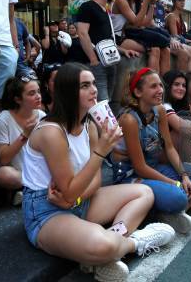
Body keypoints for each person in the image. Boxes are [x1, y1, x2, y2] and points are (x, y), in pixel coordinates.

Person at [22, 63, 175, 280]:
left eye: (93, 83)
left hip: (79, 200)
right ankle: (134, 243)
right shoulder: (51, 132)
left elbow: (94, 181)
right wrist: (101, 152)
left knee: (144, 192)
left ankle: (107, 249)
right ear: (67, 92)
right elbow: (68, 191)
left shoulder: (90, 126)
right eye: (85, 85)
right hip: (47, 211)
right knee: (102, 245)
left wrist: (74, 200)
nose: (94, 90)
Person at [113, 68, 191, 234]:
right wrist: (175, 183)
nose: (160, 90)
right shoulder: (129, 119)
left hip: (155, 168)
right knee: (178, 196)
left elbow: (169, 148)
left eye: (160, 86)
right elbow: (139, 167)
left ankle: (182, 205)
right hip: (132, 176)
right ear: (138, 92)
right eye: (153, 87)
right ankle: (179, 204)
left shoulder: (159, 110)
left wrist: (184, 176)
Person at [76, 0, 139, 102]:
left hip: (110, 61)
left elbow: (107, 40)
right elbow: (82, 33)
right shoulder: (87, 7)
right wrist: (93, 59)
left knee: (108, 101)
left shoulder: (105, 11)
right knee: (101, 103)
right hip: (96, 63)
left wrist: (123, 50)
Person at [0, 76, 45, 206]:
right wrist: (25, 134)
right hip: (17, 174)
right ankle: (40, 191)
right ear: (17, 99)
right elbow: (3, 159)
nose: (38, 96)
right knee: (3, 175)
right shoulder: (3, 119)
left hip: (39, 172)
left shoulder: (43, 117)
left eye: (38, 91)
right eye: (32, 93)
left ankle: (28, 193)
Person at [111, 0, 171, 75]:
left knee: (166, 50)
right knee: (155, 49)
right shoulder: (121, 0)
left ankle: (165, 84)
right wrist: (147, 1)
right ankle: (152, 84)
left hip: (132, 35)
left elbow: (146, 23)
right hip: (120, 39)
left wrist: (152, 4)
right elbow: (136, 23)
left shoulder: (137, 2)